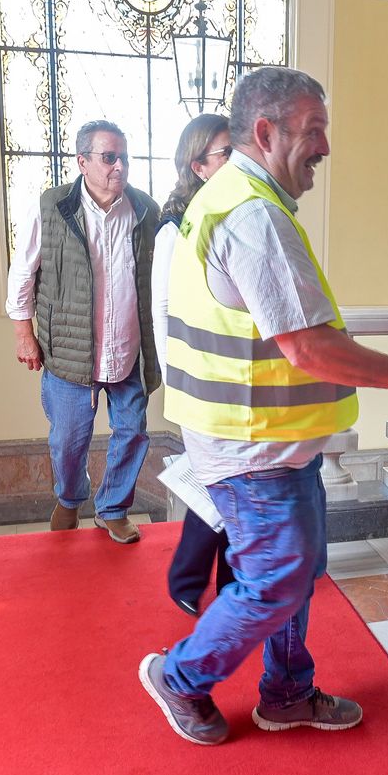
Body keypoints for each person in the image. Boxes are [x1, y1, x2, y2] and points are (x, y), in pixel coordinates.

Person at [139, 67, 388, 746]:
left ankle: (286, 692)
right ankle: (181, 675)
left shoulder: (233, 196)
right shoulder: (253, 215)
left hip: (272, 437)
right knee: (277, 577)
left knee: (298, 569)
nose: (325, 147)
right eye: (314, 131)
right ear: (265, 131)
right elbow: (308, 347)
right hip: (252, 443)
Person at [7, 120, 161, 545]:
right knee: (69, 440)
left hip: (129, 349)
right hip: (70, 352)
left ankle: (112, 509)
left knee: (132, 432)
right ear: (83, 161)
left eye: (124, 158)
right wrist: (24, 332)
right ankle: (70, 500)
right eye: (109, 157)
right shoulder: (52, 207)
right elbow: (23, 272)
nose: (119, 167)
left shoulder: (144, 209)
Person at [152, 114, 236, 615]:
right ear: (198, 164)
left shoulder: (231, 214)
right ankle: (186, 578)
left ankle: (226, 582)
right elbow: (162, 309)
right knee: (218, 479)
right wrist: (175, 382)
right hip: (196, 378)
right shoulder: (173, 230)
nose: (237, 160)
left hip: (230, 370)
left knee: (228, 480)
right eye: (227, 153)